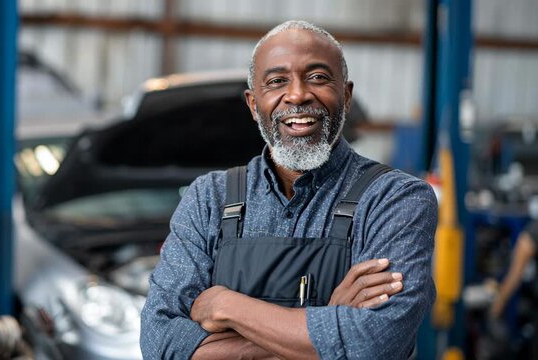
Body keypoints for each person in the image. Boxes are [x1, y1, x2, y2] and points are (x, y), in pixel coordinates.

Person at [140, 20, 437, 359]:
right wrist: (327, 320)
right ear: (254, 105)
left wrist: (226, 305)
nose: (297, 95)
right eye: (277, 81)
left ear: (347, 95)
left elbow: (373, 344)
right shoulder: (209, 198)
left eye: (318, 77)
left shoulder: (394, 199)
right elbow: (160, 344)